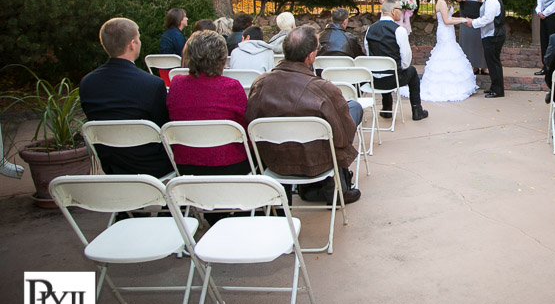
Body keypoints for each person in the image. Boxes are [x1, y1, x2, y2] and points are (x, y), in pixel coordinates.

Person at [246, 26, 362, 204]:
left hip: (274, 159)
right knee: (353, 110)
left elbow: (250, 125)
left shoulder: (260, 84)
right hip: (317, 162)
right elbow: (343, 139)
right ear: (310, 56)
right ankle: (338, 187)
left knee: (346, 114)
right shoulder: (324, 89)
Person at [79, 18, 172, 177]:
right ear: (132, 44)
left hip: (112, 164)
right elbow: (164, 128)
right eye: (139, 38)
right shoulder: (152, 84)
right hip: (153, 166)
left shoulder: (88, 83)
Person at [166, 31, 251, 175]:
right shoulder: (232, 87)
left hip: (186, 164)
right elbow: (245, 126)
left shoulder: (177, 84)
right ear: (223, 59)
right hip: (231, 164)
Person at [365, 0, 429, 120]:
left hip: (374, 81)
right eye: (400, 9)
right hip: (393, 79)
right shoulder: (398, 30)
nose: (402, 12)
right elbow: (406, 58)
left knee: (384, 68)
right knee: (412, 72)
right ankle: (417, 110)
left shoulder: (370, 29)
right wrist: (400, 69)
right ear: (393, 11)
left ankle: (386, 109)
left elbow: (369, 55)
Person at [420, 0, 477, 102]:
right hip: (445, 32)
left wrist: (461, 19)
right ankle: (445, 88)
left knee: (451, 53)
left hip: (448, 32)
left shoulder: (445, 1)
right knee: (445, 54)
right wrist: (462, 20)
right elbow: (447, 21)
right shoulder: (441, 2)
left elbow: (449, 19)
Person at [466, 0, 506, 98]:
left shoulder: (492, 1)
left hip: (493, 35)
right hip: (490, 34)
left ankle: (498, 90)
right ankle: (494, 87)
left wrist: (473, 23)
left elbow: (488, 19)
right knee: (491, 62)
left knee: (493, 63)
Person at [453, 0, 487, 75]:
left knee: (480, 43)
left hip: (479, 19)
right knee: (467, 43)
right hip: (465, 17)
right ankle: (471, 65)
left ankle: (482, 65)